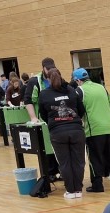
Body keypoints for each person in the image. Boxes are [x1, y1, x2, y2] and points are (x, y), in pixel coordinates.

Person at [73, 67, 110, 193]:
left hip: (93, 129)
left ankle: (97, 186)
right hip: (109, 127)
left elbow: (78, 109)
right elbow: (108, 103)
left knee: (95, 158)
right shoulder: (102, 87)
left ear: (78, 80)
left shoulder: (79, 90)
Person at [38, 67, 86, 199]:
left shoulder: (44, 94)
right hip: (76, 130)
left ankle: (70, 191)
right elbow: (81, 110)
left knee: (64, 162)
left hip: (57, 132)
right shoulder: (72, 90)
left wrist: (53, 123)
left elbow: (43, 114)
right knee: (79, 161)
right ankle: (78, 190)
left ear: (47, 78)